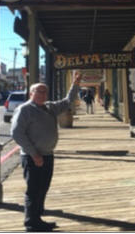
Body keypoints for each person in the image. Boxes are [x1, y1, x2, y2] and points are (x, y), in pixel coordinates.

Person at [11, 71, 82, 232]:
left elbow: (67, 101)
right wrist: (34, 154)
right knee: (33, 189)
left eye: (45, 92)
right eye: (39, 91)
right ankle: (31, 222)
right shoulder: (25, 110)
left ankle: (37, 218)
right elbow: (17, 134)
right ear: (31, 93)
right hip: (32, 157)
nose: (43, 94)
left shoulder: (50, 107)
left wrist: (75, 84)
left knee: (43, 188)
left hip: (48, 155)